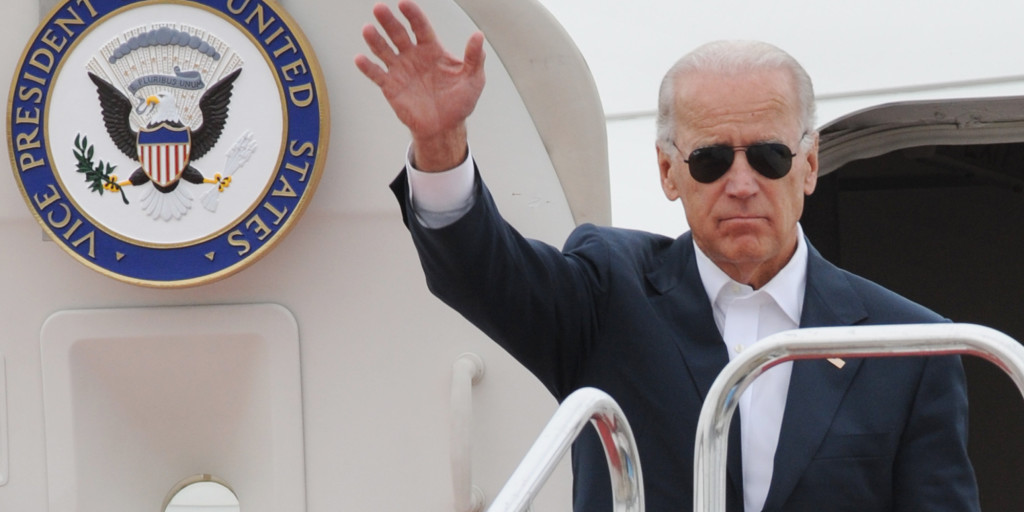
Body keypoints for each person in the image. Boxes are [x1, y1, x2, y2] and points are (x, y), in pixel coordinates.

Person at [355, 2, 981, 511]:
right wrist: (439, 144)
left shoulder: (912, 345)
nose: (741, 184)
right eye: (710, 160)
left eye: (768, 157)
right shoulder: (607, 293)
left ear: (809, 164)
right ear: (668, 172)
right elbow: (479, 270)